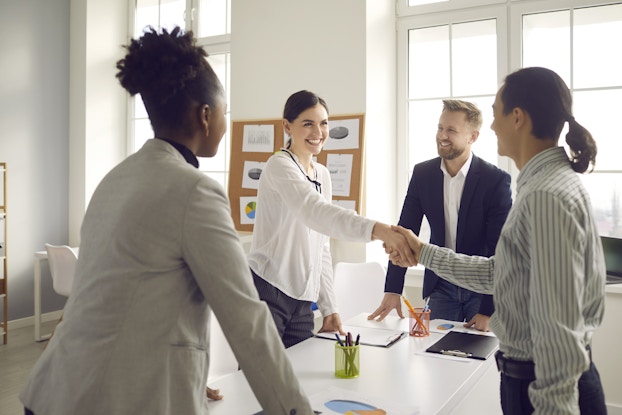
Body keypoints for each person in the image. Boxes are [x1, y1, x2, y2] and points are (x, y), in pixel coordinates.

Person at [20, 27, 315, 415]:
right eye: (226, 112)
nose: (227, 124)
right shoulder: (195, 191)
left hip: (54, 388)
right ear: (206, 116)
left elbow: (119, 300)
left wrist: (184, 374)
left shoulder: (116, 179)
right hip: (111, 400)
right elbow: (247, 320)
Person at [390, 67, 607, 414]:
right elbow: (500, 274)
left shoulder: (544, 195)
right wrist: (424, 252)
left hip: (541, 389)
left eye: (495, 114)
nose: (491, 126)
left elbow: (559, 331)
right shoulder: (545, 185)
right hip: (534, 379)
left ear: (517, 117)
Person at [247, 90, 415, 348]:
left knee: (297, 378)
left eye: (323, 123)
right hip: (269, 290)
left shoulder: (322, 174)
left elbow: (321, 247)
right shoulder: (279, 165)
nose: (318, 132)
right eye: (308, 124)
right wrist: (379, 230)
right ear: (287, 126)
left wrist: (329, 308)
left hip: (303, 299)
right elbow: (314, 211)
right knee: (257, 378)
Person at [369, 100, 512, 331]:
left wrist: (489, 309)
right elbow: (404, 232)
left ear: (472, 137)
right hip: (440, 286)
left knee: (478, 359)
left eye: (451, 130)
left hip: (481, 289)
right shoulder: (423, 174)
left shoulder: (495, 180)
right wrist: (393, 290)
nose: (442, 136)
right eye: (440, 128)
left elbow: (500, 250)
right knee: (434, 355)